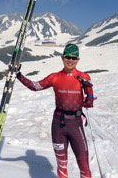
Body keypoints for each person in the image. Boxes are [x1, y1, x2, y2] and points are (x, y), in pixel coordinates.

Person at [16, 43, 96, 178]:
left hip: (76, 124)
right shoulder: (54, 77)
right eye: (67, 57)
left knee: (84, 165)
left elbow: (90, 97)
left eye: (73, 57)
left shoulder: (84, 77)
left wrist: (89, 98)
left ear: (78, 60)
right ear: (62, 57)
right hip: (58, 124)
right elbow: (35, 87)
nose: (70, 60)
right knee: (62, 165)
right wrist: (18, 75)